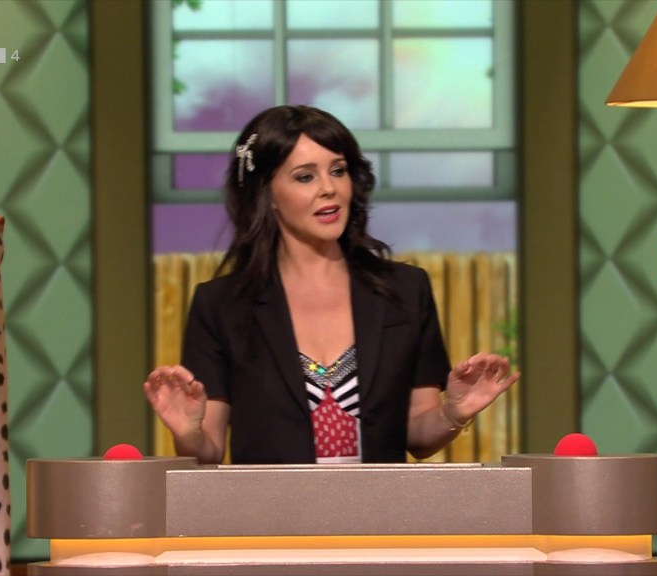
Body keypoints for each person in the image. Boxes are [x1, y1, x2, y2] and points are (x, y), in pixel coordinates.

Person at [144, 104, 518, 464]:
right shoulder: (221, 305)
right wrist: (188, 434)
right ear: (267, 194)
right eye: (305, 176)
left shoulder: (405, 291)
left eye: (338, 171)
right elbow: (208, 450)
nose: (329, 188)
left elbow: (417, 437)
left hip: (382, 508)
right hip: (269, 509)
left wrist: (453, 413)